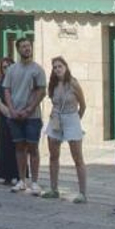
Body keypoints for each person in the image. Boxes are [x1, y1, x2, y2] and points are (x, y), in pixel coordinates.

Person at [42, 56, 88, 203]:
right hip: (56, 118)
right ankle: (54, 189)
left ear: (66, 67)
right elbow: (53, 100)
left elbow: (83, 104)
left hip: (71, 117)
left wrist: (75, 120)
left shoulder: (73, 83)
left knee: (77, 157)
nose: (57, 69)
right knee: (53, 156)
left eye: (60, 66)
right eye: (55, 67)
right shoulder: (53, 84)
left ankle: (82, 193)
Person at [3, 37, 45, 195]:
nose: (27, 48)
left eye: (28, 45)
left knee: (33, 147)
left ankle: (34, 181)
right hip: (15, 115)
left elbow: (42, 91)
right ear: (18, 49)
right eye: (23, 46)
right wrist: (11, 109)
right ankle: (21, 180)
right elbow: (6, 89)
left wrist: (29, 109)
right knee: (19, 147)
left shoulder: (37, 69)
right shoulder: (12, 70)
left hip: (32, 116)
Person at [0, 53, 20, 186]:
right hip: (3, 118)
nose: (7, 69)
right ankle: (6, 175)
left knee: (18, 145)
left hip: (18, 117)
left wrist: (16, 112)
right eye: (4, 67)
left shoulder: (19, 83)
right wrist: (8, 113)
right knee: (4, 145)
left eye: (9, 66)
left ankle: (18, 174)